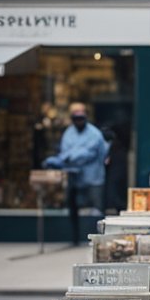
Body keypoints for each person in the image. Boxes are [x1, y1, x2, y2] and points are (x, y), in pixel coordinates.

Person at [44, 102, 109, 246]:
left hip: (93, 178)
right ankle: (75, 238)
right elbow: (64, 151)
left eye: (81, 117)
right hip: (75, 177)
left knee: (97, 209)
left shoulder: (94, 134)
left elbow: (87, 154)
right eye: (76, 117)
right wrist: (57, 160)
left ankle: (98, 239)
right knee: (73, 206)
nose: (79, 120)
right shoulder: (69, 133)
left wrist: (67, 158)